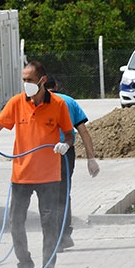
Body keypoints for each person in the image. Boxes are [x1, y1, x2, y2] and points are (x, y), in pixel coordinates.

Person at [0, 61, 74, 268]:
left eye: (30, 80)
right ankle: (24, 263)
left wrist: (64, 145)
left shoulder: (58, 104)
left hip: (49, 176)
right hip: (22, 175)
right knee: (15, 223)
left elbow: (69, 135)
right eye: (24, 80)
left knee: (50, 225)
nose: (26, 84)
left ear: (42, 80)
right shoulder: (17, 103)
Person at [44, 76, 100, 252]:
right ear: (56, 86)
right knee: (62, 193)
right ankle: (64, 235)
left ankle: (56, 238)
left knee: (48, 196)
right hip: (66, 153)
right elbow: (83, 131)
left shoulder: (37, 103)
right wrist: (91, 158)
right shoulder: (69, 101)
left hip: (44, 154)